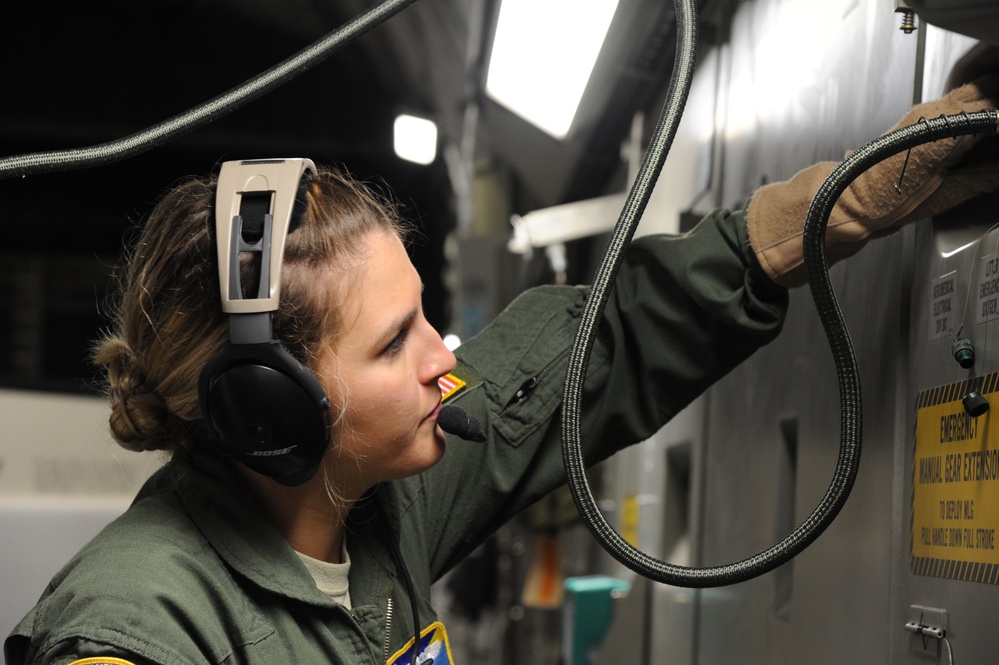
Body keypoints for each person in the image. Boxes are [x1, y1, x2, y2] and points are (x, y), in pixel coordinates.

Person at [5, 77, 999, 665]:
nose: (446, 358)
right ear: (273, 410)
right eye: (396, 342)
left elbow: (582, 351)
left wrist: (826, 211)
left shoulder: (364, 491)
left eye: (424, 317)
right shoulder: (134, 633)